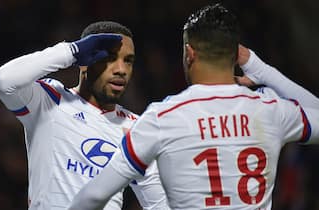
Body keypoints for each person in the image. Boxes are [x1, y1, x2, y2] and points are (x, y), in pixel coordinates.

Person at [67, 4, 319, 210]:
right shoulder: (270, 110)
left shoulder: (162, 117)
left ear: (189, 53)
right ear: (234, 55)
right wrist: (261, 69)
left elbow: (94, 196)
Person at [0, 21, 171, 210]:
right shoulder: (50, 101)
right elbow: (3, 81)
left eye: (128, 60)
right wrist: (71, 51)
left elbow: (160, 205)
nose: (121, 69)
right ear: (85, 61)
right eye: (110, 58)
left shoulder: (136, 128)